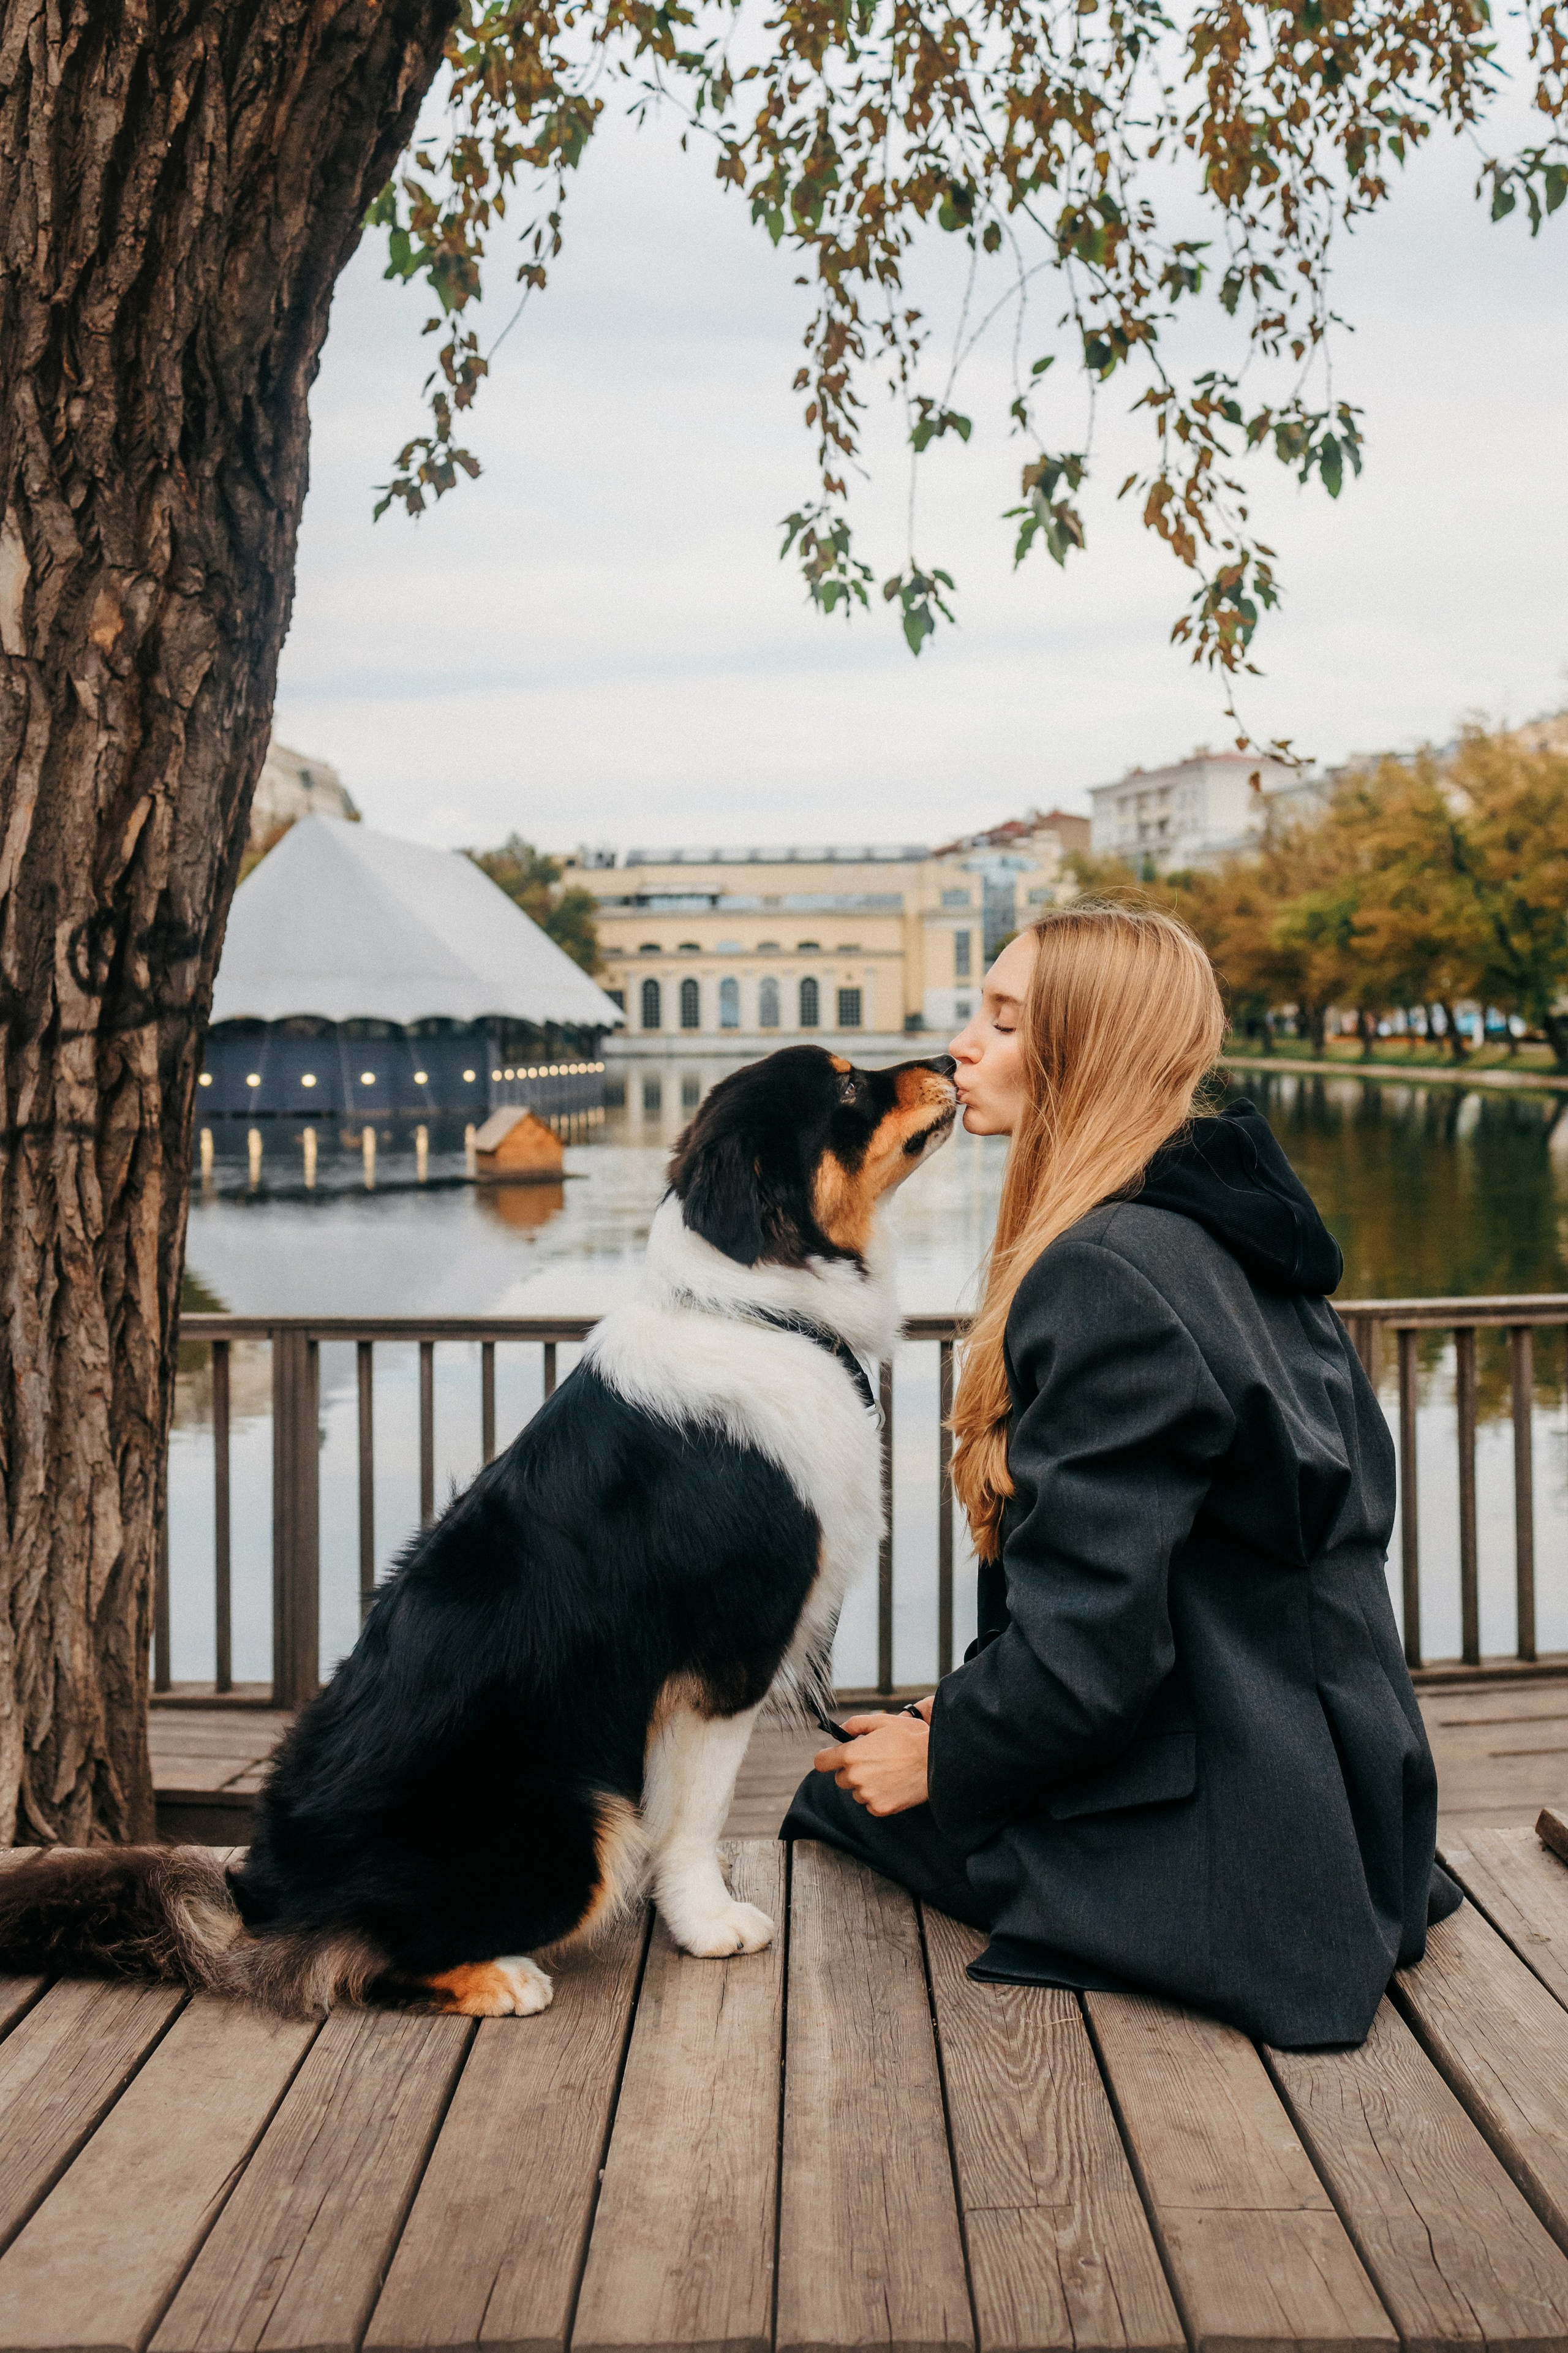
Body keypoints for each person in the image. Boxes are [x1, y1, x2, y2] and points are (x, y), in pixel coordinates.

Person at [781, 902, 1459, 2049]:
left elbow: (1094, 1658)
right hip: (1353, 1803)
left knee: (833, 1789)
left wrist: (946, 1750)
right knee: (896, 1743)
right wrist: (966, 1712)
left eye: (1005, 1022)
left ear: (1082, 1051)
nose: (963, 1046)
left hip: (1244, 1851)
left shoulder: (1107, 1270)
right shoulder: (1242, 1240)